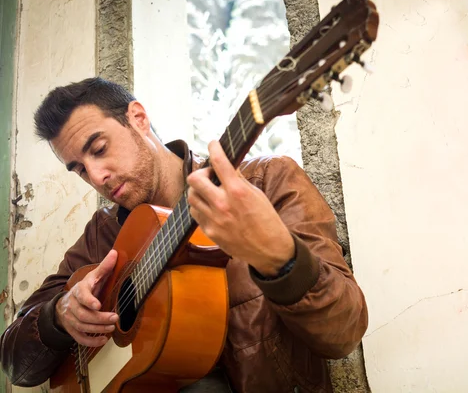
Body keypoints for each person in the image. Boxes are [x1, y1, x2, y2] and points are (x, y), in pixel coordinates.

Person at [0, 77, 368, 392]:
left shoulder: (268, 183)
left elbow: (344, 333)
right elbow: (16, 364)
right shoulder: (102, 235)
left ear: (138, 119)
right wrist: (59, 316)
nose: (96, 176)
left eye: (99, 149)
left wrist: (279, 257)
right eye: (79, 169)